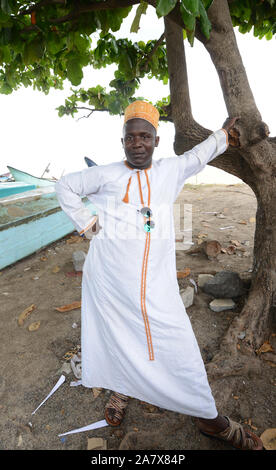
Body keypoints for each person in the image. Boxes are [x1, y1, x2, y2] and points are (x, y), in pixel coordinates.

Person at [55, 100, 263, 450]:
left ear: (156, 141)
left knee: (177, 343)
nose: (137, 143)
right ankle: (122, 390)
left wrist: (224, 135)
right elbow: (65, 186)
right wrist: (89, 224)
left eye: (145, 137)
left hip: (156, 284)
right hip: (109, 282)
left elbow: (200, 154)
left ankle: (209, 419)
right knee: (118, 340)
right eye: (131, 138)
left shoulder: (171, 169)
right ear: (123, 142)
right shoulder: (105, 174)